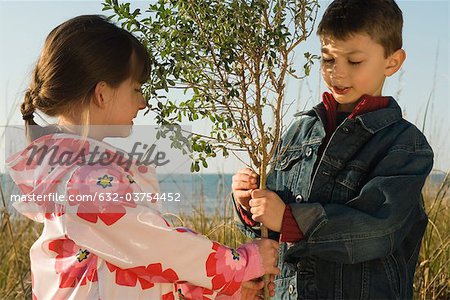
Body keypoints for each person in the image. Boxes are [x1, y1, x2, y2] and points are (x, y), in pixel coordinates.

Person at [6, 15, 280, 300]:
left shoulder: (68, 171)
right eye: (136, 88)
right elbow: (154, 244)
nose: (143, 101)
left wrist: (224, 288)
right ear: (102, 93)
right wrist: (242, 263)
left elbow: (131, 263)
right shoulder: (84, 179)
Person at [232, 0, 434, 299]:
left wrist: (290, 219)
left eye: (354, 62)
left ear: (392, 62)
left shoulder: (404, 144)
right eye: (328, 60)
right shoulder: (299, 131)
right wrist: (250, 207)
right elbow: (272, 231)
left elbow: (378, 230)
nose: (337, 73)